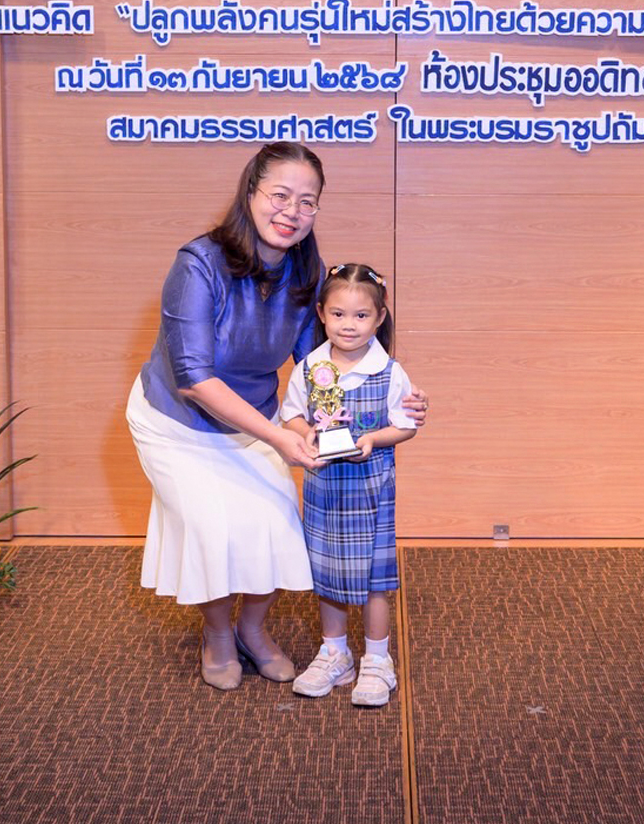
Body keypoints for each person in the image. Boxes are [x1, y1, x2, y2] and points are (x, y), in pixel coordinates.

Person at [125, 143, 426, 691]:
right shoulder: (198, 264)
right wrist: (280, 438)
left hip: (255, 420)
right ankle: (218, 634)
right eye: (280, 196)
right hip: (176, 422)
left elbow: (323, 368)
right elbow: (193, 377)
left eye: (307, 202)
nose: (292, 212)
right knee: (214, 528)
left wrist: (389, 398)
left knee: (277, 523)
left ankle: (252, 629)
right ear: (251, 193)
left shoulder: (306, 270)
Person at [281, 263, 416, 708]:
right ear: (322, 313)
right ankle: (335, 654)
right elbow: (291, 414)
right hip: (324, 486)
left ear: (379, 317)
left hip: (371, 488)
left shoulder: (389, 371)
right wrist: (307, 433)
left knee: (375, 579)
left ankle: (377, 659)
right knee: (328, 573)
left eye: (361, 315)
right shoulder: (310, 367)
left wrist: (374, 439)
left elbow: (406, 425)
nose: (349, 325)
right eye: (338, 314)